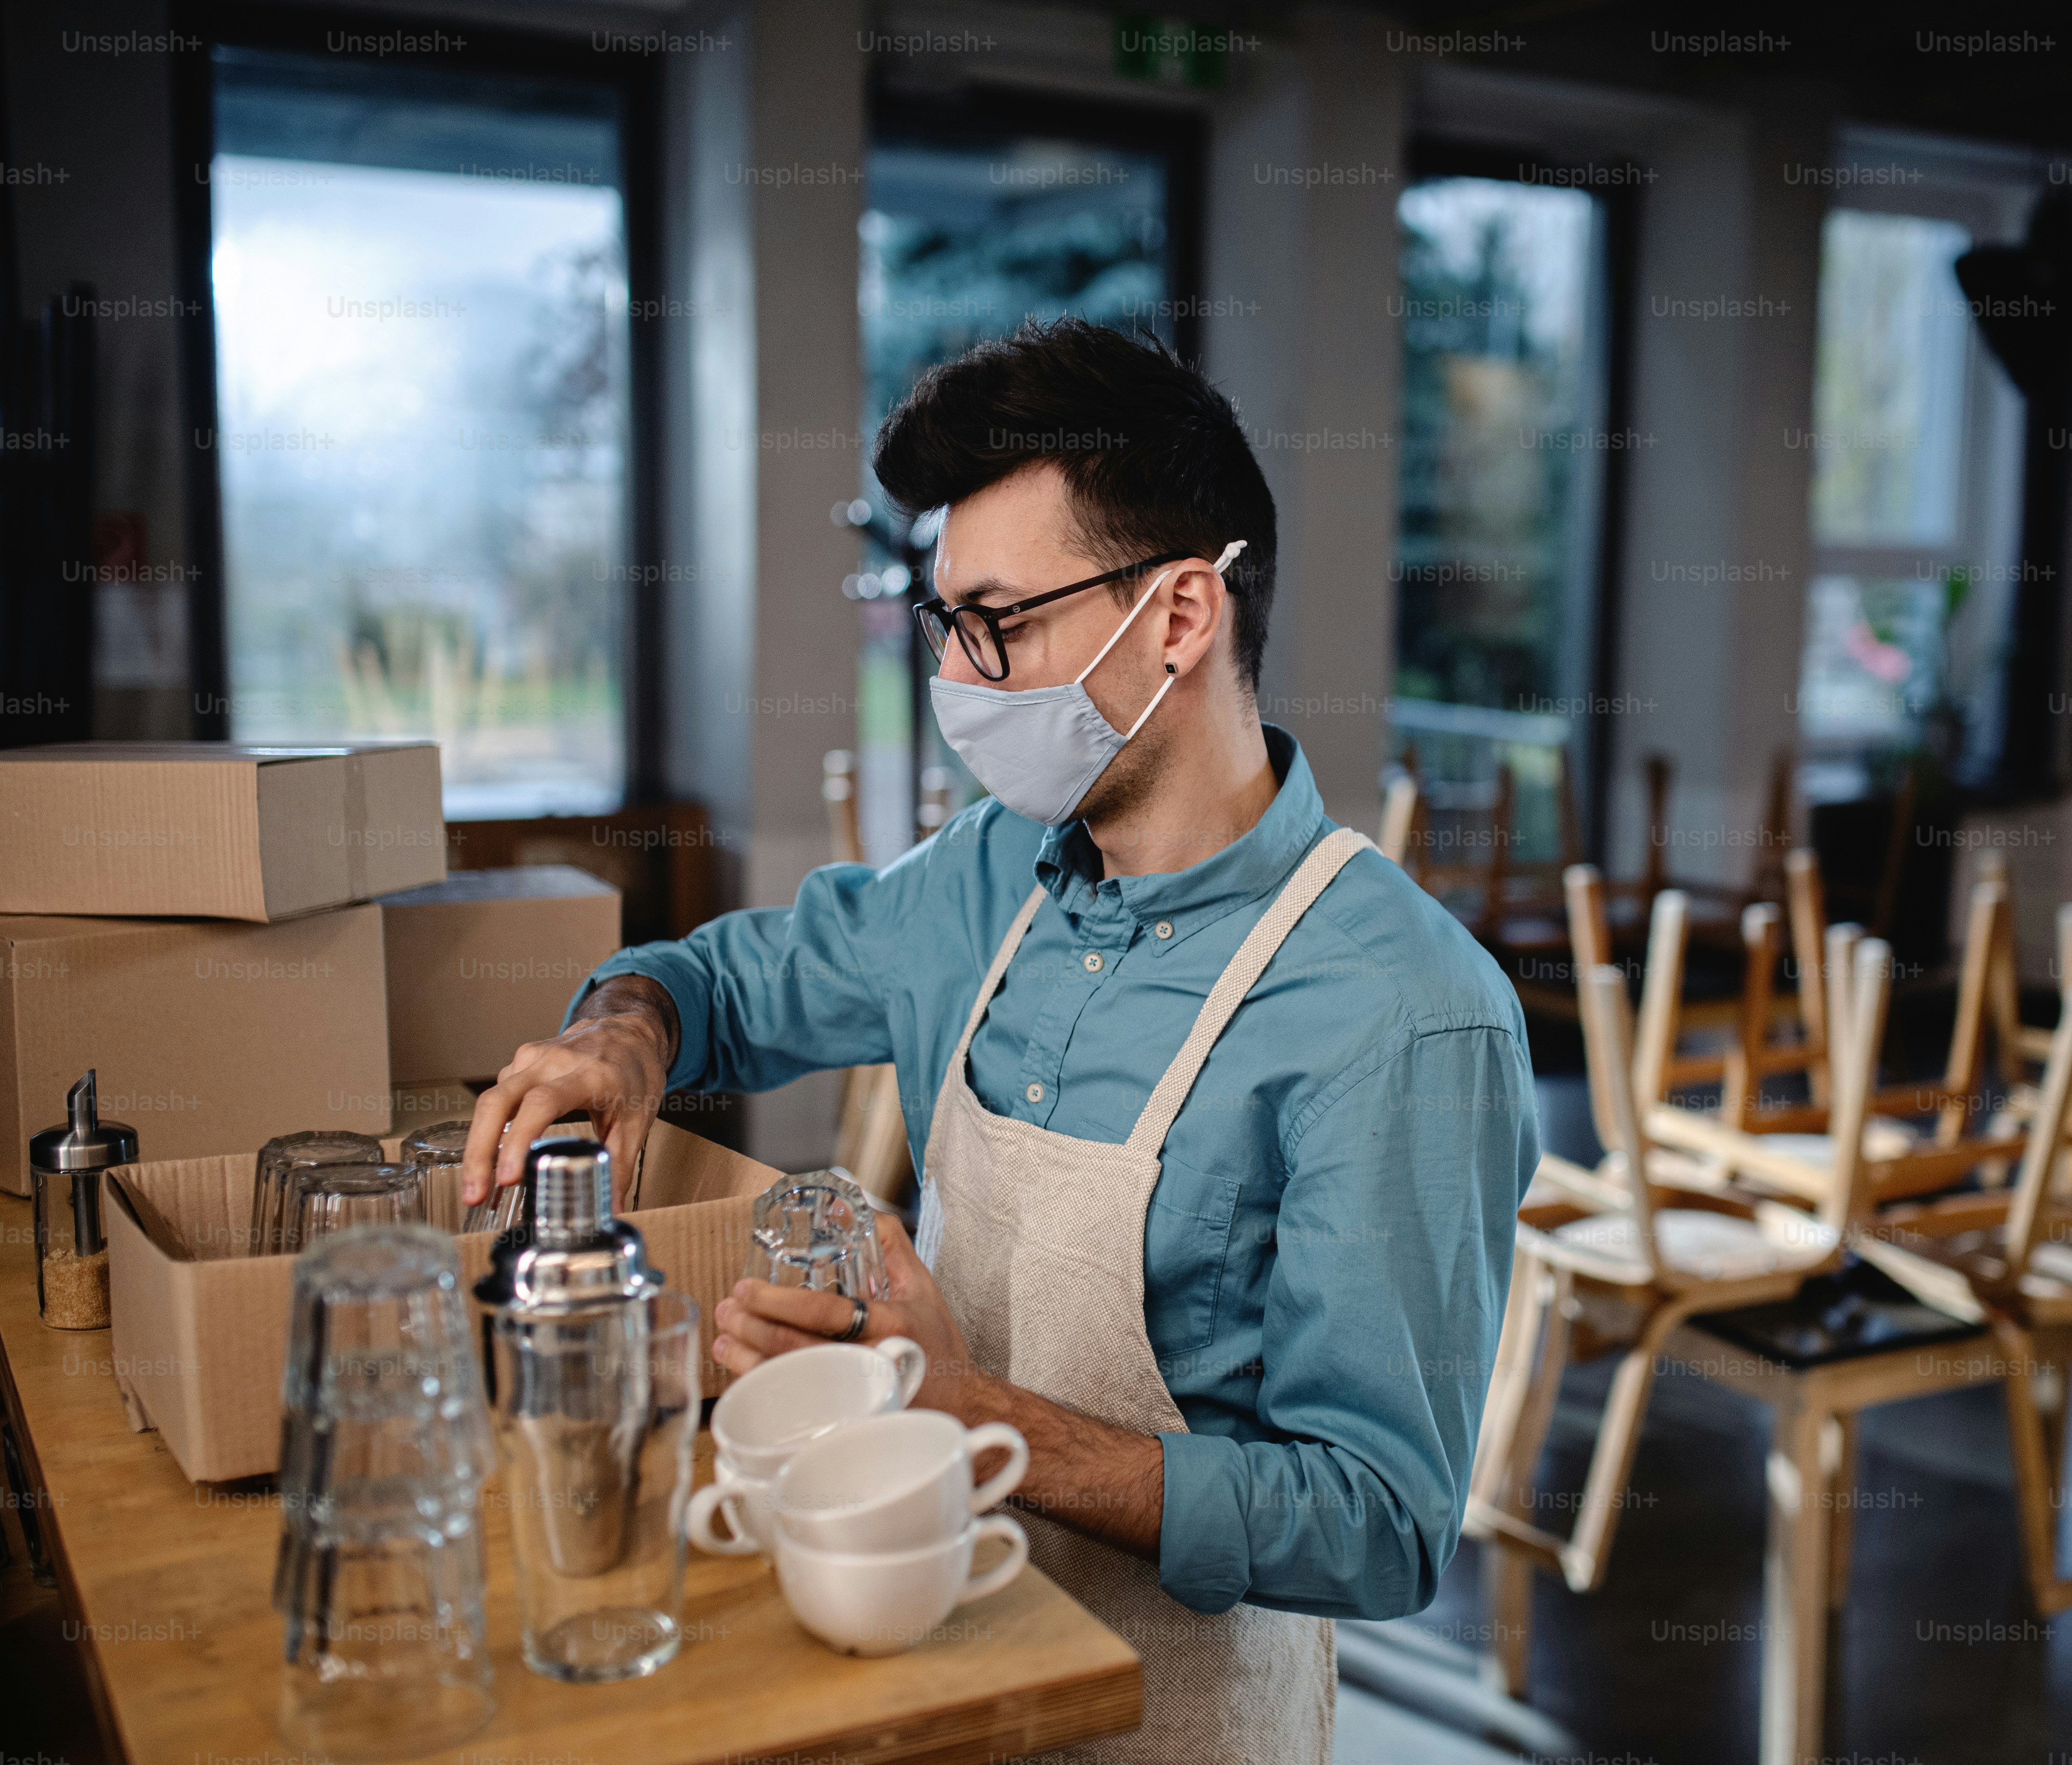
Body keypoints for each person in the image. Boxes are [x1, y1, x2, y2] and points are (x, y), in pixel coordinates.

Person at [465, 318, 1539, 1763]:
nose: (961, 678)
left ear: (1178, 618)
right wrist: (623, 1038)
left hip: (1175, 1723)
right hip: (930, 1663)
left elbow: (1379, 1523)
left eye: (1002, 624)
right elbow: (716, 979)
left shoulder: (1401, 1012)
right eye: (946, 627)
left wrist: (977, 1417)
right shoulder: (987, 877)